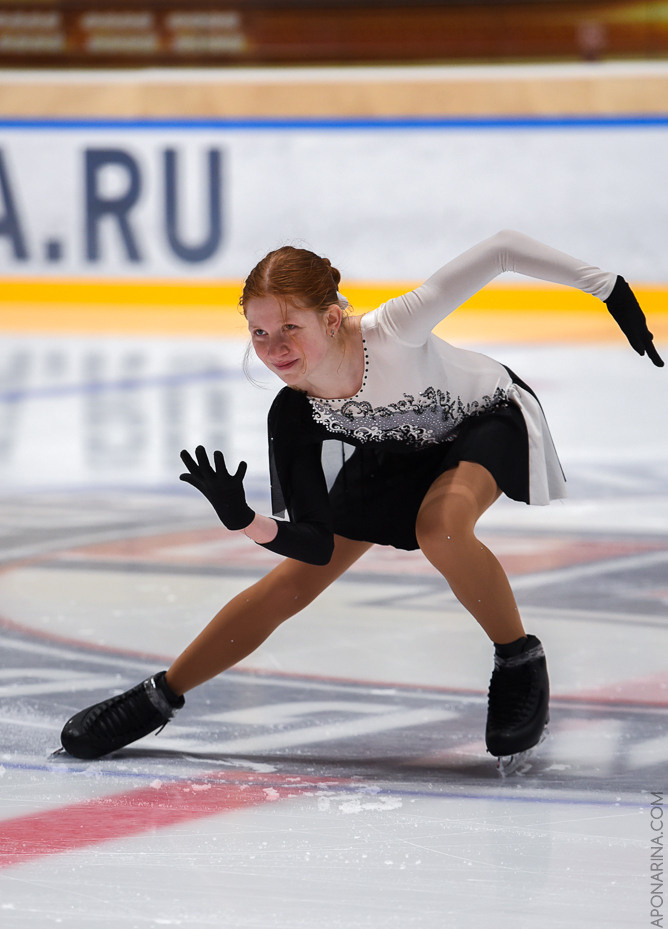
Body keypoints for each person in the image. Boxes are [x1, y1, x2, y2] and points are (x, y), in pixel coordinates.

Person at [59, 230, 663, 768]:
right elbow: (316, 546)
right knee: (292, 582)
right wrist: (247, 521)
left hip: (485, 419)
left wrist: (606, 287)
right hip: (395, 449)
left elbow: (501, 248)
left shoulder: (395, 328)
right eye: (260, 332)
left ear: (331, 317)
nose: (274, 348)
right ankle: (157, 697)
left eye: (289, 327)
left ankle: (518, 659)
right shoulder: (294, 414)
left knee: (442, 527)